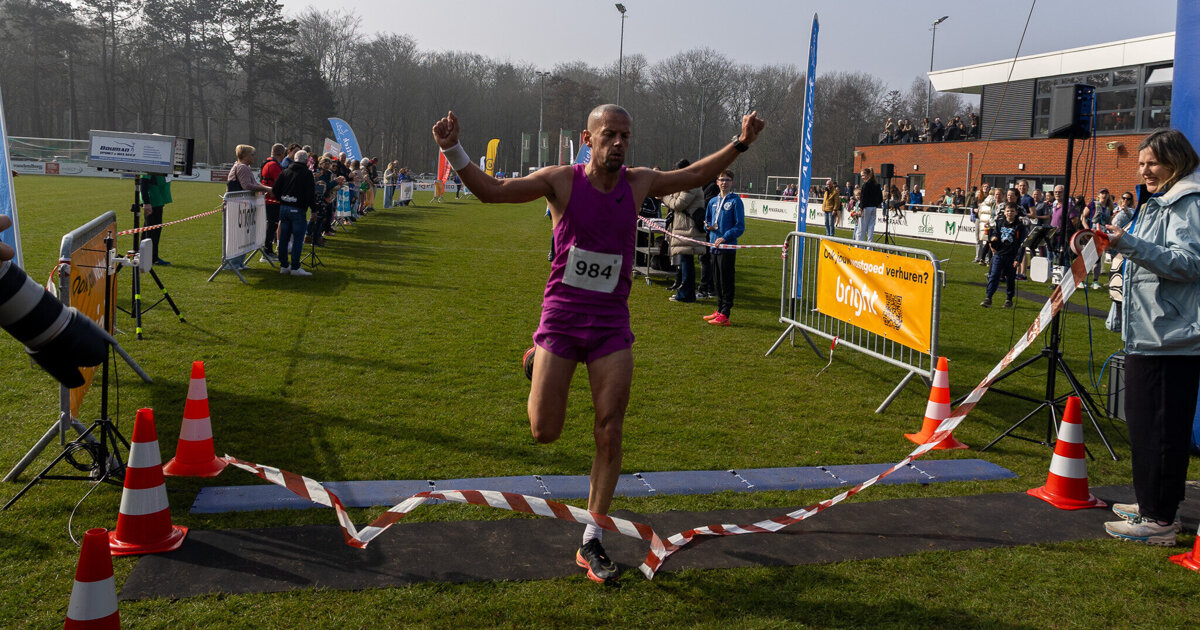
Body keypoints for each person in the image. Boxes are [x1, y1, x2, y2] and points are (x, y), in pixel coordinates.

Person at [432, 104, 764, 584]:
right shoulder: (561, 181)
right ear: (588, 140)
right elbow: (493, 191)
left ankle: (591, 538)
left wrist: (741, 143)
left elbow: (692, 174)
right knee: (544, 431)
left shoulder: (639, 182)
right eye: (610, 135)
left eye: (626, 136)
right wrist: (452, 148)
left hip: (611, 323)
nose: (619, 144)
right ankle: (538, 359)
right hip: (562, 319)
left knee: (609, 431)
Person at [1102, 128, 1200, 546]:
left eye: (1152, 163)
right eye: (1140, 164)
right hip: (1151, 333)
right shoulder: (1158, 202)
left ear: (1175, 161)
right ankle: (1153, 504)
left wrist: (1131, 244)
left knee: (1159, 430)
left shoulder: (1188, 203)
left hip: (1171, 338)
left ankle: (1159, 520)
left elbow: (1188, 263)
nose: (1144, 171)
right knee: (1146, 428)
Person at [703, 169, 745, 326]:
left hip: (727, 247)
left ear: (732, 182)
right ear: (717, 182)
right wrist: (708, 226)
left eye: (727, 180)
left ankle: (726, 313)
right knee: (717, 280)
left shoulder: (735, 201)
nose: (724, 182)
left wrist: (725, 236)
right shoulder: (713, 201)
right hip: (713, 245)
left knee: (726, 280)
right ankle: (719, 309)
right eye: (722, 179)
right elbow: (706, 220)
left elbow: (740, 226)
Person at [663, 159, 706, 303]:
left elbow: (678, 204)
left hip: (689, 229)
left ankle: (686, 293)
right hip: (685, 228)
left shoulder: (691, 185)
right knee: (685, 261)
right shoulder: (687, 184)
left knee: (687, 262)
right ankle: (685, 291)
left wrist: (664, 196)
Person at [226, 144, 273, 270]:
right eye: (252, 154)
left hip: (241, 207)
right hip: (238, 207)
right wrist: (265, 188)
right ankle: (233, 264)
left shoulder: (242, 167)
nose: (253, 157)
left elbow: (252, 184)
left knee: (243, 235)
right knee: (238, 236)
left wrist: (264, 188)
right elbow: (247, 185)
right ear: (245, 155)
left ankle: (239, 263)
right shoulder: (242, 167)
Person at [271, 150, 315, 276]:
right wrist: (314, 209)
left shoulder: (285, 171)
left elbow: (275, 190)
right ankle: (295, 267)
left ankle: (284, 265)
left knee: (283, 239)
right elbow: (310, 194)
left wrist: (283, 199)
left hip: (284, 208)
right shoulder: (307, 174)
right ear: (306, 161)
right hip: (298, 209)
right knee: (297, 239)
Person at [980, 202, 1028, 308]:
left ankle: (1009, 299)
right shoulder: (1000, 222)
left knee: (1010, 279)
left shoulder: (1020, 226)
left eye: (1012, 211)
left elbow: (1022, 244)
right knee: (994, 276)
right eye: (1008, 211)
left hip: (1012, 256)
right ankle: (988, 297)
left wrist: (1018, 259)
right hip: (999, 254)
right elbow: (995, 233)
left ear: (1016, 213)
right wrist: (993, 239)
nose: (1010, 213)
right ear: (1004, 212)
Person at [138, 171, 172, 266]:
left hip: (157, 200)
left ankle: (144, 255)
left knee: (149, 230)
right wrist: (146, 202)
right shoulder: (149, 168)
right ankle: (152, 258)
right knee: (152, 232)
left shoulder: (156, 168)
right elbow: (143, 184)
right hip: (153, 202)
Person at [260, 143, 286, 264]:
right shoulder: (273, 165)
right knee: (272, 226)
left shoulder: (268, 163)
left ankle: (268, 250)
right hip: (272, 200)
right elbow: (279, 182)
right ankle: (267, 251)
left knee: (271, 225)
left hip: (270, 199)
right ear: (281, 153)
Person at [855, 167, 881, 241]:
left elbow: (863, 199)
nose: (862, 177)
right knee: (870, 228)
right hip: (873, 208)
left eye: (863, 175)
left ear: (868, 175)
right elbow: (880, 199)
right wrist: (875, 204)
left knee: (861, 228)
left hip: (866, 208)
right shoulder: (877, 185)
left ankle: (859, 246)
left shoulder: (866, 185)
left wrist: (860, 209)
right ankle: (869, 246)